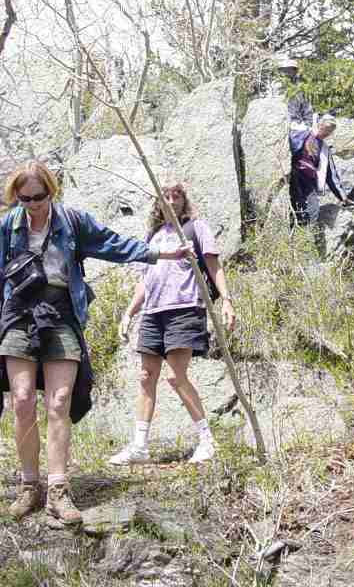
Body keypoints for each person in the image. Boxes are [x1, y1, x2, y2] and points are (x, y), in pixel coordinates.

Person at [0, 161, 192, 526]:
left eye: (39, 196)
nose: (33, 204)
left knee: (59, 400)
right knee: (22, 400)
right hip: (19, 314)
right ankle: (29, 486)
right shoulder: (8, 226)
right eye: (25, 198)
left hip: (61, 313)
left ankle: (58, 490)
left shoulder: (72, 221)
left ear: (51, 191)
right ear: (16, 196)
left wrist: (163, 254)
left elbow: (112, 244)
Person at [108, 183, 235, 467]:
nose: (172, 199)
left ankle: (206, 441)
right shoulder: (152, 236)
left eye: (177, 195)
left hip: (184, 309)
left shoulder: (195, 228)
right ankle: (139, 446)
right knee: (145, 377)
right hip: (153, 312)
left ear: (184, 199)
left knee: (176, 377)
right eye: (166, 195)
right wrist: (129, 312)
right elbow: (145, 280)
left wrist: (226, 300)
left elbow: (214, 266)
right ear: (158, 202)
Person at [289, 114, 354, 227]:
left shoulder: (324, 149)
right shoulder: (303, 131)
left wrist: (342, 197)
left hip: (308, 181)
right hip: (293, 174)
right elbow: (289, 143)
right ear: (320, 125)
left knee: (313, 209)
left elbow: (331, 175)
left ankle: (306, 237)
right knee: (294, 206)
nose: (326, 133)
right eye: (325, 129)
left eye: (329, 132)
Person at [276, 57, 316, 131]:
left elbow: (307, 110)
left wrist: (306, 126)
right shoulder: (275, 90)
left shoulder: (301, 90)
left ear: (295, 71)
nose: (286, 73)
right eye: (283, 71)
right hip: (278, 125)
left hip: (296, 127)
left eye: (289, 70)